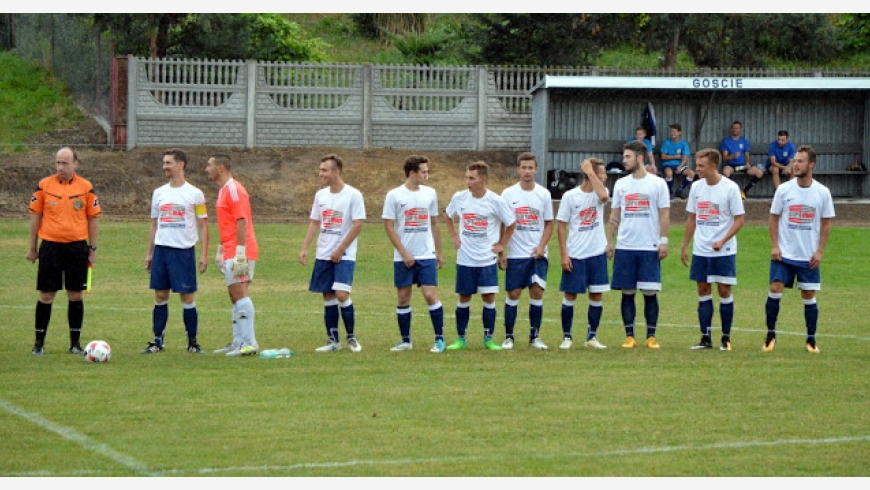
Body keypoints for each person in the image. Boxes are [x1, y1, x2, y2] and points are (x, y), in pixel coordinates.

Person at [27, 147, 102, 356]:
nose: (61, 167)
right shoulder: (44, 186)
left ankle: (75, 343)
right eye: (58, 163)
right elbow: (35, 217)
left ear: (75, 164)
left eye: (65, 163)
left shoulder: (86, 188)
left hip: (77, 247)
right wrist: (32, 247)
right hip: (50, 247)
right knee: (46, 295)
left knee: (75, 295)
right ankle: (39, 343)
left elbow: (93, 219)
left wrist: (92, 249)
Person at [764, 145, 834, 354]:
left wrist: (820, 251)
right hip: (784, 254)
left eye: (800, 161)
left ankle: (811, 340)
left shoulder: (822, 192)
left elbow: (827, 224)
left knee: (809, 295)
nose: (795, 165)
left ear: (811, 164)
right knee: (775, 289)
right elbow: (773, 218)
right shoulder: (784, 190)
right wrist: (775, 246)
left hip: (807, 256)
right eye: (795, 161)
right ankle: (770, 336)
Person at [141, 149, 209, 354]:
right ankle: (157, 341)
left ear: (181, 165)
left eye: (168, 163)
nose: (165, 167)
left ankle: (193, 342)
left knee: (187, 297)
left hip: (184, 252)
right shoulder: (159, 193)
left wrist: (204, 253)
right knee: (160, 295)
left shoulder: (195, 194)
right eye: (164, 163)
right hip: (162, 250)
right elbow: (154, 224)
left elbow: (203, 225)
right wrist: (149, 253)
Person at [443, 161, 516, 351]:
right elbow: (448, 216)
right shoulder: (459, 198)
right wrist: (453, 236)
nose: (468, 181)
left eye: (472, 178)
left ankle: (489, 338)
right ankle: (461, 338)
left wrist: (501, 246)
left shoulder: (496, 201)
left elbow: (511, 223)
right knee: (464, 298)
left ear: (483, 179)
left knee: (489, 298)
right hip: (465, 259)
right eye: (467, 177)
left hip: (486, 259)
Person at [605, 140, 670, 349]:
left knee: (650, 292)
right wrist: (609, 241)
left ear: (640, 158)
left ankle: (651, 336)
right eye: (624, 157)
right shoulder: (621, 184)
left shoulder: (657, 184)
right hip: (625, 247)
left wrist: (664, 241)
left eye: (627, 157)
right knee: (627, 292)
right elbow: (615, 215)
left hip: (649, 246)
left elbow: (665, 214)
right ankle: (629, 336)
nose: (624, 160)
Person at [680, 149, 745, 351]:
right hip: (701, 250)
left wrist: (723, 240)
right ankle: (705, 337)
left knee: (724, 289)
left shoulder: (730, 188)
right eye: (696, 165)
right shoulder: (696, 188)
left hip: (724, 250)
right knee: (703, 289)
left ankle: (726, 338)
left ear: (713, 166)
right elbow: (692, 218)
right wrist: (685, 245)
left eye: (701, 166)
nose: (697, 169)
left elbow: (740, 219)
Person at [299, 154, 366, 353]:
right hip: (323, 253)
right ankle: (333, 341)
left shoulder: (353, 195)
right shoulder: (320, 196)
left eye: (324, 170)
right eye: (320, 170)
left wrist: (340, 249)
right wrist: (305, 248)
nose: (321, 174)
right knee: (328, 295)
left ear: (336, 172)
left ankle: (351, 337)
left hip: (344, 254)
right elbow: (315, 222)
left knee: (342, 294)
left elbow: (358, 225)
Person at [381, 155, 446, 353]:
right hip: (403, 256)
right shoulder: (394, 195)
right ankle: (406, 341)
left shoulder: (430, 194)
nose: (427, 175)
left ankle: (439, 339)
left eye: (427, 171)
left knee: (429, 295)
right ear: (412, 173)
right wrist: (403, 252)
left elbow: (434, 223)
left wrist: (439, 252)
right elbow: (389, 227)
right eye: (423, 172)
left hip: (426, 254)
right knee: (403, 298)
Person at [205, 154, 261, 357]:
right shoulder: (223, 191)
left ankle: (249, 342)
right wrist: (221, 249)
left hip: (240, 250)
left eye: (209, 165)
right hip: (230, 249)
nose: (206, 169)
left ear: (220, 168)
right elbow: (227, 223)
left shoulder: (234, 189)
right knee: (234, 294)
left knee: (240, 293)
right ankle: (239, 341)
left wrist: (240, 252)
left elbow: (241, 221)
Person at [498, 152, 554, 350]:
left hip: (537, 254)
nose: (527, 171)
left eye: (531, 167)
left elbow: (549, 224)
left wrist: (541, 246)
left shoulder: (544, 194)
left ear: (536, 169)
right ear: (518, 169)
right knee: (513, 293)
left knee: (537, 292)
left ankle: (534, 337)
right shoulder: (508, 194)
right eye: (524, 167)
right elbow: (503, 224)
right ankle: (509, 336)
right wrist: (501, 250)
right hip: (515, 254)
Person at [556, 158, 610, 350]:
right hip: (576, 254)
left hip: (597, 253)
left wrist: (592, 174)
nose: (605, 176)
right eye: (602, 173)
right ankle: (567, 337)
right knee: (570, 295)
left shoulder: (600, 192)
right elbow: (561, 226)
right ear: (591, 174)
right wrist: (564, 254)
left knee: (596, 296)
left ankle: (591, 337)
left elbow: (604, 197)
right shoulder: (570, 196)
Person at [720, 120, 762, 199]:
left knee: (759, 172)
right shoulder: (726, 142)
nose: (735, 130)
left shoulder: (744, 141)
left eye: (737, 128)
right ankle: (733, 192)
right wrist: (733, 156)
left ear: (740, 129)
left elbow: (747, 155)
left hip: (742, 165)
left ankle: (744, 191)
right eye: (733, 128)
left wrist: (748, 163)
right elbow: (725, 158)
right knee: (726, 172)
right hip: (731, 165)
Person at [659, 123, 696, 199]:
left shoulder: (683, 144)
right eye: (671, 132)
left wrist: (680, 167)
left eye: (674, 132)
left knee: (691, 173)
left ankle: (680, 190)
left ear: (679, 132)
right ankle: (670, 191)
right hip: (668, 164)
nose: (672, 133)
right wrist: (675, 156)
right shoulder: (667, 142)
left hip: (679, 165)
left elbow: (685, 158)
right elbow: (663, 156)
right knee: (669, 173)